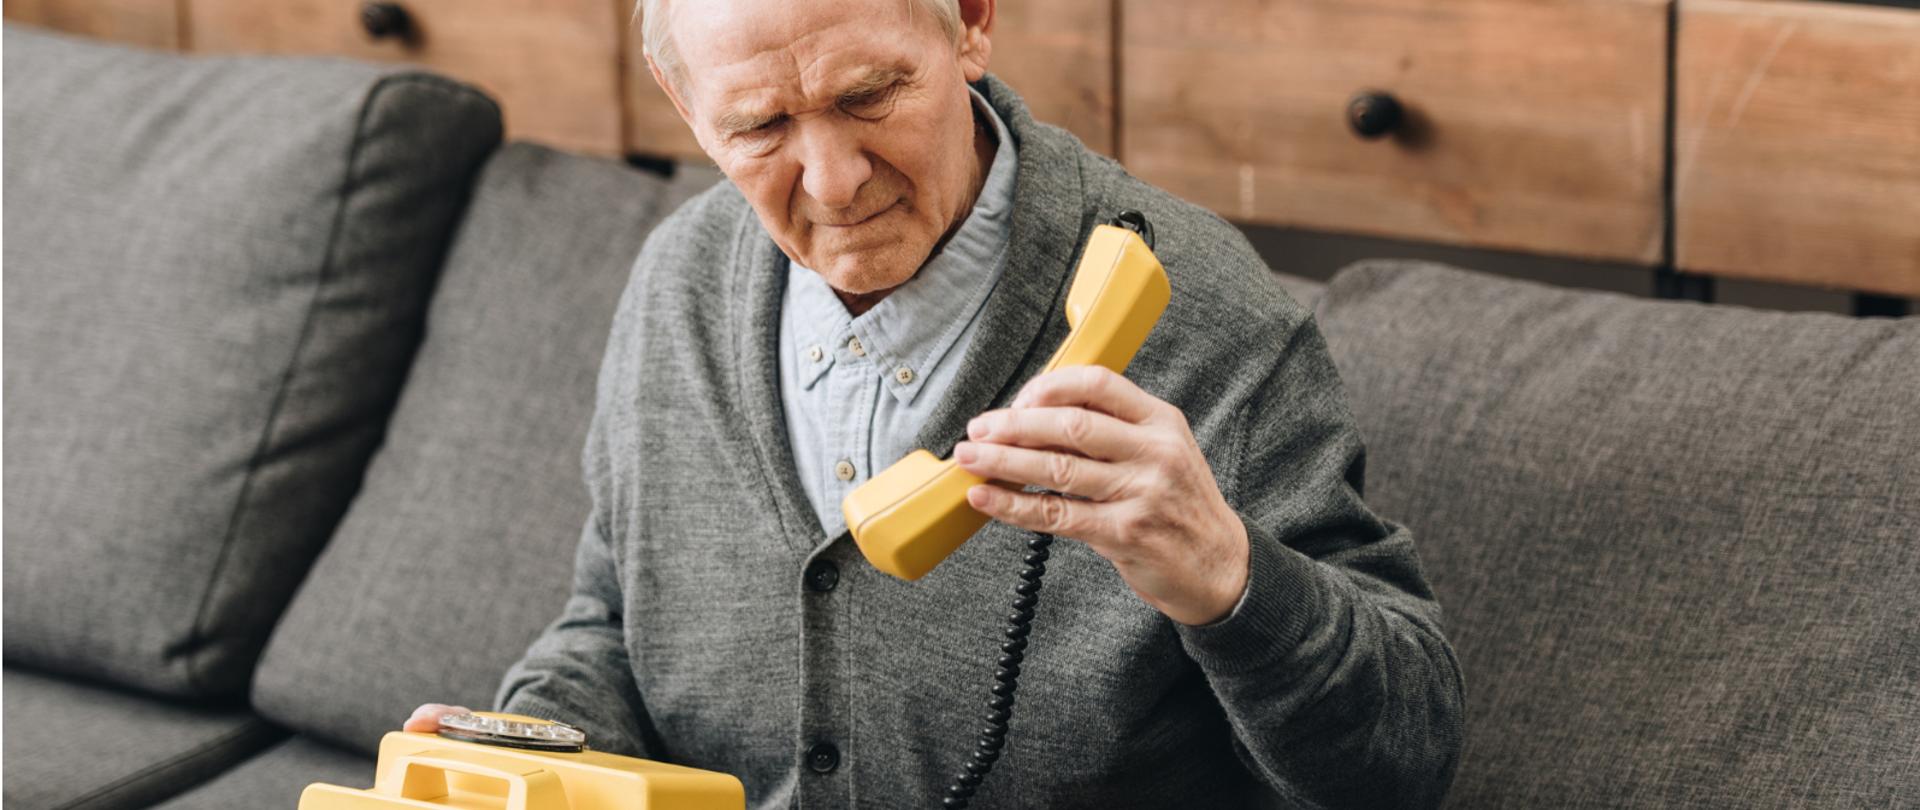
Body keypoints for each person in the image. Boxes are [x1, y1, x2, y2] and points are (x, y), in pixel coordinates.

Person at [408, 0, 1464, 806]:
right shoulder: (678, 279)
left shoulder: (1207, 317)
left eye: (870, 96)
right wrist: (525, 749)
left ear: (971, 20)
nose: (831, 180)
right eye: (761, 125)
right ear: (684, 103)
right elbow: (612, 618)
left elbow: (1404, 758)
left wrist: (1231, 582)